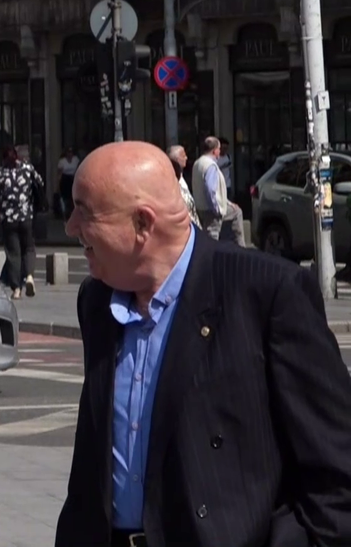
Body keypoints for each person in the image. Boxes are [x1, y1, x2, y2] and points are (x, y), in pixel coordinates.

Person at [56, 141, 351, 547]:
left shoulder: (265, 292)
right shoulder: (97, 300)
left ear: (143, 223)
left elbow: (336, 464)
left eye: (84, 212)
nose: (70, 227)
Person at [0, 146, 44, 299]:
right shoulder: (27, 169)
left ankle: (16, 289)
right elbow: (40, 183)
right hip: (26, 216)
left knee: (13, 253)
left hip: (8, 219)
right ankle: (29, 276)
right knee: (29, 248)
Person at [192, 136, 246, 246]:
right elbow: (211, 190)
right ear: (215, 150)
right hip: (210, 209)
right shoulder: (210, 166)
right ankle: (239, 247)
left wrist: (228, 203)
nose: (220, 151)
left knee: (236, 212)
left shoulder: (198, 163)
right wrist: (217, 209)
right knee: (212, 236)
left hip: (200, 207)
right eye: (219, 149)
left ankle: (235, 245)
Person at [166, 145, 200, 228]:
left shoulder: (182, 176)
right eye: (183, 156)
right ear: (177, 159)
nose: (186, 158)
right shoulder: (173, 183)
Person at [56, 147, 80, 218]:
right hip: (65, 180)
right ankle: (65, 214)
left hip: (73, 179)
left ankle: (73, 213)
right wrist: (58, 184)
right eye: (68, 152)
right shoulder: (62, 161)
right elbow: (59, 174)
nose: (70, 154)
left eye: (71, 152)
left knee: (73, 197)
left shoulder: (76, 160)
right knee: (65, 198)